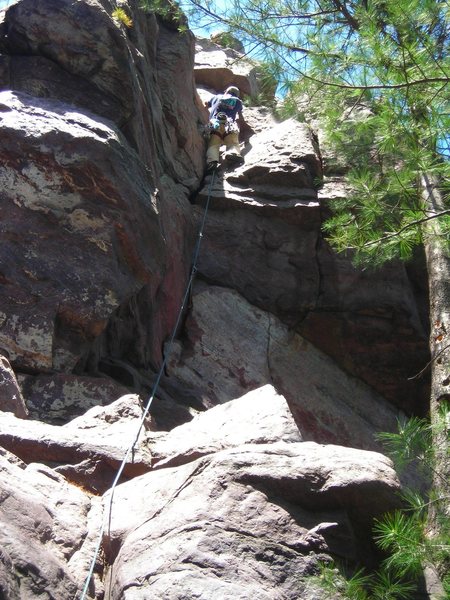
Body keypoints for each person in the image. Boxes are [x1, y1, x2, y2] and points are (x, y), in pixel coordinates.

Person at [205, 86, 245, 173]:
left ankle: (212, 161)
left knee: (214, 144)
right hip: (229, 124)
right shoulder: (238, 101)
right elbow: (240, 113)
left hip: (215, 124)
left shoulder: (216, 97)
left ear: (226, 91)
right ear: (237, 95)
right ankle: (233, 153)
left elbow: (206, 104)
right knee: (232, 142)